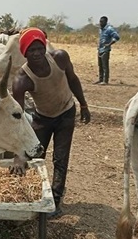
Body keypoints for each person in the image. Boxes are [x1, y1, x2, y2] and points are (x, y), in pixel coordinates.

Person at [12, 27, 91, 218]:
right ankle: (28, 195)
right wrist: (17, 153)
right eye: (32, 50)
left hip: (66, 113)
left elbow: (73, 80)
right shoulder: (22, 80)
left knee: (60, 158)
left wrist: (84, 104)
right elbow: (19, 118)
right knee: (33, 155)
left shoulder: (59, 58)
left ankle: (54, 203)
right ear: (24, 53)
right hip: (43, 118)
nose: (37, 53)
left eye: (40, 48)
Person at [95, 16, 120, 85]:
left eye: (102, 22)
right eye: (100, 21)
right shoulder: (101, 29)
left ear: (105, 22)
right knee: (100, 65)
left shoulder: (109, 29)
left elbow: (117, 37)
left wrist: (109, 44)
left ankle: (105, 81)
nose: (100, 23)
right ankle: (100, 79)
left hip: (105, 50)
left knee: (105, 66)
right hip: (100, 49)